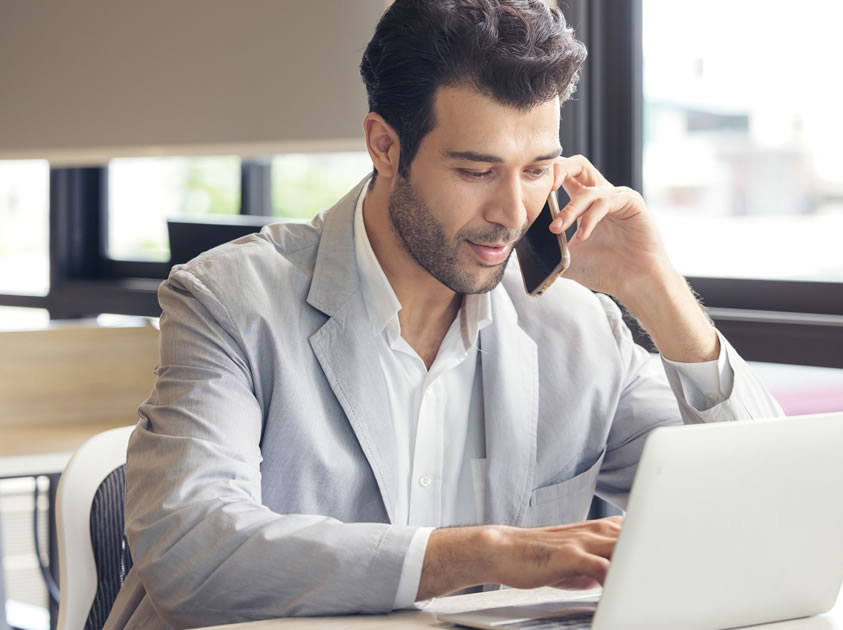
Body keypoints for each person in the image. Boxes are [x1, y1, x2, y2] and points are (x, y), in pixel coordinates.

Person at [104, 1, 783, 628]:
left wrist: (657, 290)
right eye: (476, 171)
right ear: (385, 146)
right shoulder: (230, 300)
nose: (513, 214)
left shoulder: (575, 325)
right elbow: (194, 548)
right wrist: (484, 554)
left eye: (538, 169)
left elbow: (766, 511)